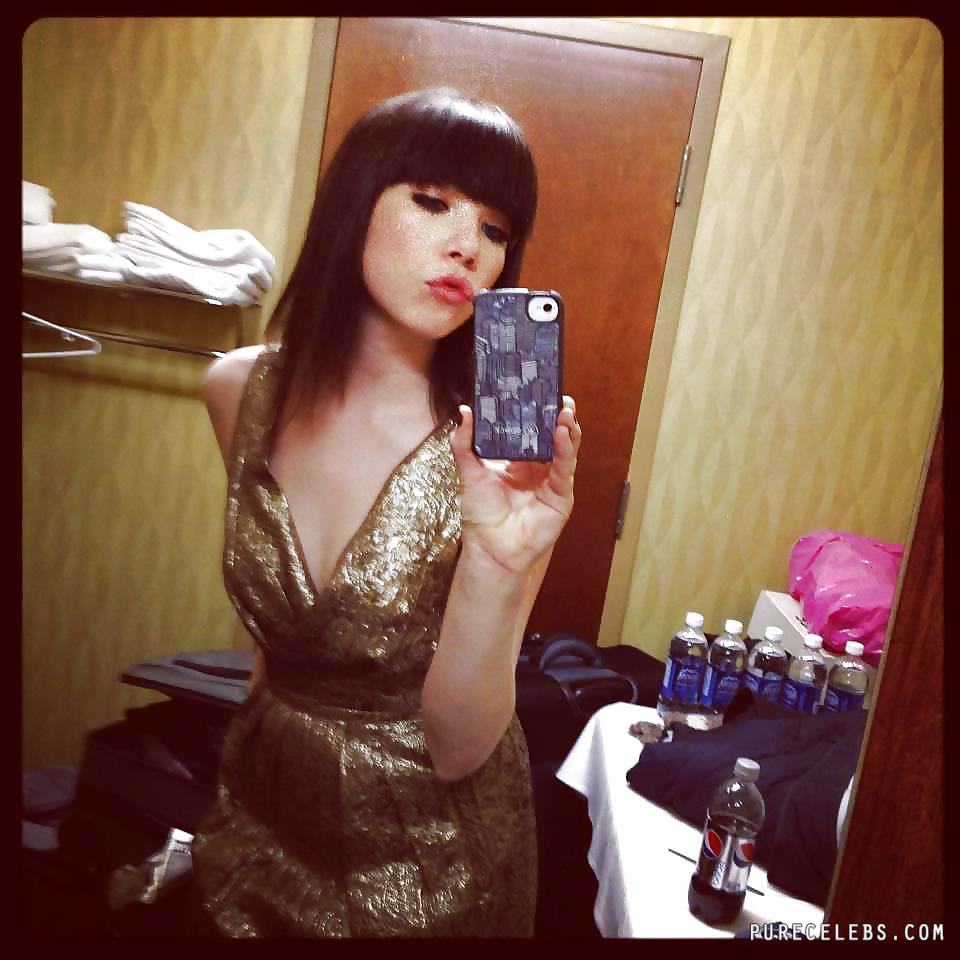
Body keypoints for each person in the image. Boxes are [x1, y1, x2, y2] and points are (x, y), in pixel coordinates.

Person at [189, 87, 582, 938]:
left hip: (433, 864)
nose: (467, 246)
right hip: (260, 806)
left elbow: (459, 748)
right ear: (353, 201)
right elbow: (275, 648)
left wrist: (498, 564)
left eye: (496, 229)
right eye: (433, 202)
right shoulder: (239, 391)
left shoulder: (497, 455)